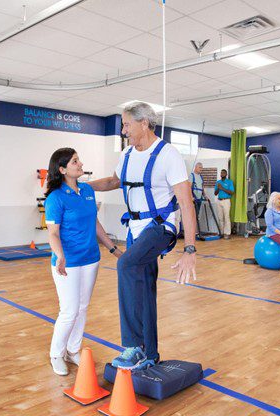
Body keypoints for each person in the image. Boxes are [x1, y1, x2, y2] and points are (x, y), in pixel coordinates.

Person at [89, 101, 197, 371]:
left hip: (161, 227)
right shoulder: (126, 154)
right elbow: (114, 181)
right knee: (144, 288)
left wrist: (190, 250)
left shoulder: (168, 155)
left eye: (126, 124)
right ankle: (150, 352)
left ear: (144, 123)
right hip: (135, 229)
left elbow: (186, 202)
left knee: (126, 265)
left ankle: (133, 346)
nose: (123, 130)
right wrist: (82, 186)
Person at [44, 148, 121, 376]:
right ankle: (56, 354)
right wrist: (60, 255)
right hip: (67, 261)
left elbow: (94, 223)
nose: (80, 164)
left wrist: (113, 248)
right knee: (68, 310)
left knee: (83, 307)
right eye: (75, 161)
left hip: (90, 259)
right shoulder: (55, 197)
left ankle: (73, 349)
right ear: (62, 169)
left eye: (79, 159)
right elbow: (53, 233)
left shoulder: (87, 190)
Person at [214, 168, 234, 239]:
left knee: (226, 217)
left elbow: (231, 192)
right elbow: (215, 193)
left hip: (226, 201)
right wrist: (218, 188)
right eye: (221, 173)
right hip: (219, 201)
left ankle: (227, 233)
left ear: (226, 174)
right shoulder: (218, 182)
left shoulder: (229, 182)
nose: (222, 174)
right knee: (220, 218)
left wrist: (222, 188)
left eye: (223, 173)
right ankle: (221, 232)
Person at [191, 162, 207, 234]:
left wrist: (205, 195)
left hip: (199, 198)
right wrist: (191, 197)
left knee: (197, 215)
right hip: (193, 199)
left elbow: (202, 187)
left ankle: (196, 231)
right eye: (200, 168)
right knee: (193, 215)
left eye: (202, 168)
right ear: (196, 167)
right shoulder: (191, 176)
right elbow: (189, 187)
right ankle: (192, 231)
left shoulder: (200, 177)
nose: (201, 169)